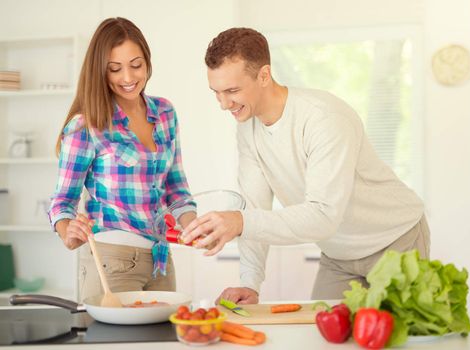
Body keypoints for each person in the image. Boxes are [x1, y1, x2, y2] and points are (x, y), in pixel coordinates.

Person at [181, 27, 430, 303]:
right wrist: (250, 283)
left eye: (232, 91)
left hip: (394, 240)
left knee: (405, 340)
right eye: (216, 92)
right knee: (322, 335)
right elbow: (254, 209)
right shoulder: (247, 128)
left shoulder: (323, 119)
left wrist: (239, 222)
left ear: (264, 75)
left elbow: (322, 215)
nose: (224, 104)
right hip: (338, 256)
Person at [48, 17, 194, 300]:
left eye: (136, 65)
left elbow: (176, 189)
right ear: (100, 72)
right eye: (115, 69)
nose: (127, 78)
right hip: (111, 260)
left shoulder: (165, 113)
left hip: (161, 260)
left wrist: (194, 225)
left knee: (161, 344)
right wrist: (68, 232)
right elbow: (62, 202)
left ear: (147, 62)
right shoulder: (86, 125)